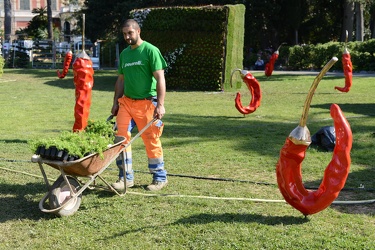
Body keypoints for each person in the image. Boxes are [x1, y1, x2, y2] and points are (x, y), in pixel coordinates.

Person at [111, 19, 168, 191]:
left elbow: (160, 78)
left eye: (130, 33)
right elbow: (121, 80)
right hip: (126, 103)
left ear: (138, 31)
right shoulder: (124, 54)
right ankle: (125, 178)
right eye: (124, 34)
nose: (127, 37)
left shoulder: (150, 50)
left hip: (147, 104)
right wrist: (115, 103)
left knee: (151, 139)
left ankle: (159, 178)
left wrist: (161, 104)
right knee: (120, 139)